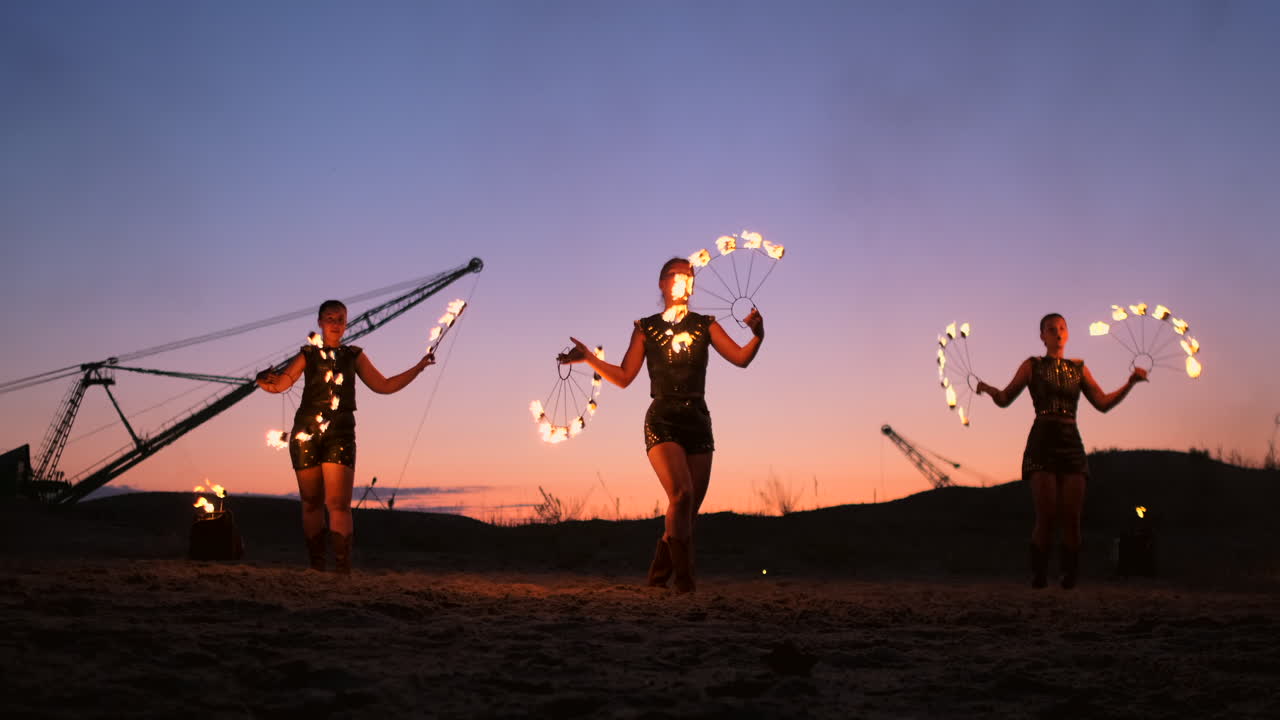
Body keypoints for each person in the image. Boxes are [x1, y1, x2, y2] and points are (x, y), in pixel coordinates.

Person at [558, 257, 765, 592]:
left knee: (686, 512)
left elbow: (741, 358)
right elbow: (625, 377)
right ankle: (684, 584)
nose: (685, 279)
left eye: (690, 275)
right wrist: (589, 359)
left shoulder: (705, 324)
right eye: (677, 275)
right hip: (663, 419)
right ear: (662, 283)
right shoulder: (645, 327)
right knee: (681, 495)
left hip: (698, 421)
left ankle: (656, 579)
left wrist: (758, 335)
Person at [256, 300, 434, 574]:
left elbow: (384, 386)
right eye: (330, 318)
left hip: (340, 434)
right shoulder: (308, 354)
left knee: (338, 504)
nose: (336, 323)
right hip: (306, 433)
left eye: (340, 318)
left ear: (346, 323)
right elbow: (280, 385)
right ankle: (317, 567)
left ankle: (341, 570)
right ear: (320, 323)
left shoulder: (354, 355)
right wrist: (263, 380)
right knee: (311, 502)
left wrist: (418, 367)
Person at [976, 313, 1147, 589]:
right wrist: (988, 389)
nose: (1057, 333)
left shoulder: (1079, 368)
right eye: (1051, 329)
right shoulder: (1032, 365)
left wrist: (1130, 383)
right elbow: (1006, 398)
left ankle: (1069, 577)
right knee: (1046, 514)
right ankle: (1039, 576)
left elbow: (1102, 403)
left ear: (1067, 334)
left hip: (1071, 442)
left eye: (1062, 328)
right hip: (1042, 440)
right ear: (1042, 336)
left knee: (1071, 515)